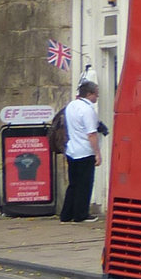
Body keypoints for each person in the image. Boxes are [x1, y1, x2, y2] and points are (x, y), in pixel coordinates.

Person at [58, 78, 100, 223]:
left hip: (72, 150)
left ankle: (66, 214)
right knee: (85, 184)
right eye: (96, 93)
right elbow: (91, 134)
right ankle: (80, 214)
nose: (97, 96)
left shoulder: (71, 105)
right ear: (89, 94)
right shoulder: (88, 110)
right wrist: (97, 153)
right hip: (85, 151)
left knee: (73, 183)